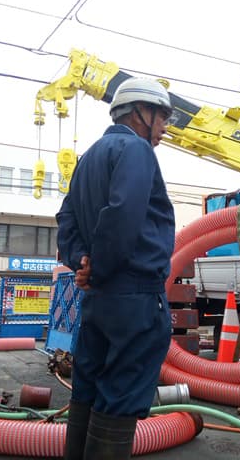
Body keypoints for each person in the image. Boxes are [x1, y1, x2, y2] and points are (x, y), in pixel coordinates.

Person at [56, 76, 176, 459]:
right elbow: (122, 215)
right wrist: (99, 268)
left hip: (98, 298)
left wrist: (82, 261)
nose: (164, 126)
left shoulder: (88, 158)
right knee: (121, 393)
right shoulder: (136, 150)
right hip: (134, 297)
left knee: (88, 387)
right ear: (140, 112)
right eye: (161, 116)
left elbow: (66, 219)